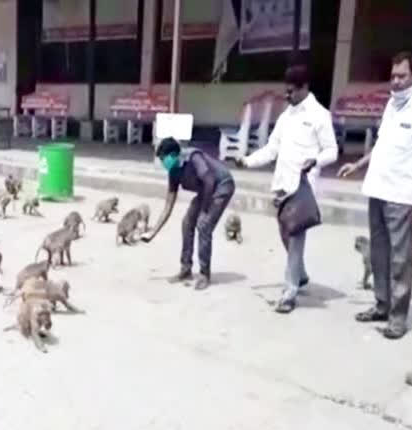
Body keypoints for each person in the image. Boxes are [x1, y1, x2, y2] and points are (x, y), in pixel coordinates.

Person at [339, 52, 412, 340]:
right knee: (379, 254)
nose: (395, 81)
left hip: (403, 195)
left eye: (401, 76)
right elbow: (381, 144)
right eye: (393, 76)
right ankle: (381, 305)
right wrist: (358, 163)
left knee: (400, 259)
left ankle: (397, 318)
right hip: (378, 190)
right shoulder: (393, 103)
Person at [238, 64, 338, 314]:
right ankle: (300, 274)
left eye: (292, 91)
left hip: (302, 187)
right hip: (281, 184)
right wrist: (247, 161)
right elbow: (272, 149)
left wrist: (316, 160)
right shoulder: (286, 116)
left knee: (295, 238)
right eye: (286, 91)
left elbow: (332, 151)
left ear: (305, 88)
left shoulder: (319, 115)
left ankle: (289, 292)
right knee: (285, 233)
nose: (288, 96)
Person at [141, 136, 236, 290]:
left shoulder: (193, 157)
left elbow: (210, 180)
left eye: (164, 158)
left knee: (203, 225)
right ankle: (186, 269)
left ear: (173, 155)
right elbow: (168, 205)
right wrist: (153, 232)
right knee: (187, 223)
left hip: (222, 186)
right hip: (206, 190)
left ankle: (204, 274)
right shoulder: (173, 171)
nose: (163, 163)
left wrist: (204, 210)